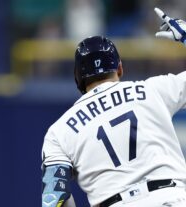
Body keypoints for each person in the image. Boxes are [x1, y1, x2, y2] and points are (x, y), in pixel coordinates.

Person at [41, 8, 186, 207]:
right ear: (119, 68)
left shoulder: (59, 132)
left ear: (78, 79)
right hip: (170, 198)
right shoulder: (152, 90)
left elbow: (54, 198)